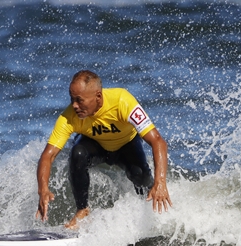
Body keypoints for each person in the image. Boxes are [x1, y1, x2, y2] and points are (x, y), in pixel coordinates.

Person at [36, 70, 172, 228]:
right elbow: (48, 156)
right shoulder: (69, 117)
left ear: (98, 96)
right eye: (72, 99)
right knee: (77, 153)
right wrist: (43, 189)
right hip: (95, 146)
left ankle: (153, 210)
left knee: (141, 176)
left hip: (126, 144)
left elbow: (158, 141)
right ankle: (82, 210)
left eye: (79, 100)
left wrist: (160, 182)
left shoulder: (122, 101)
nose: (74, 105)